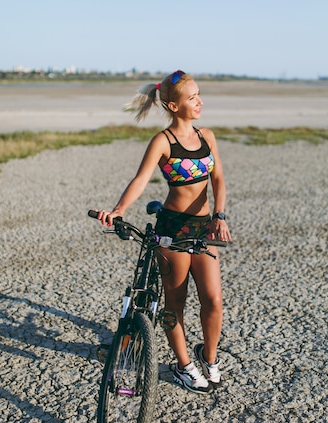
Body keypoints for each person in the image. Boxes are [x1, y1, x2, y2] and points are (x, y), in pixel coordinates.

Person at [96, 70, 231, 394]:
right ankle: (184, 365)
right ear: (173, 105)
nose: (199, 102)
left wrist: (219, 215)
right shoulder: (163, 141)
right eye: (192, 97)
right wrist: (118, 211)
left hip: (203, 228)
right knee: (175, 304)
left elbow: (219, 180)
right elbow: (140, 180)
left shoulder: (207, 136)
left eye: (199, 95)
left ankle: (209, 359)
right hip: (171, 228)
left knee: (213, 300)